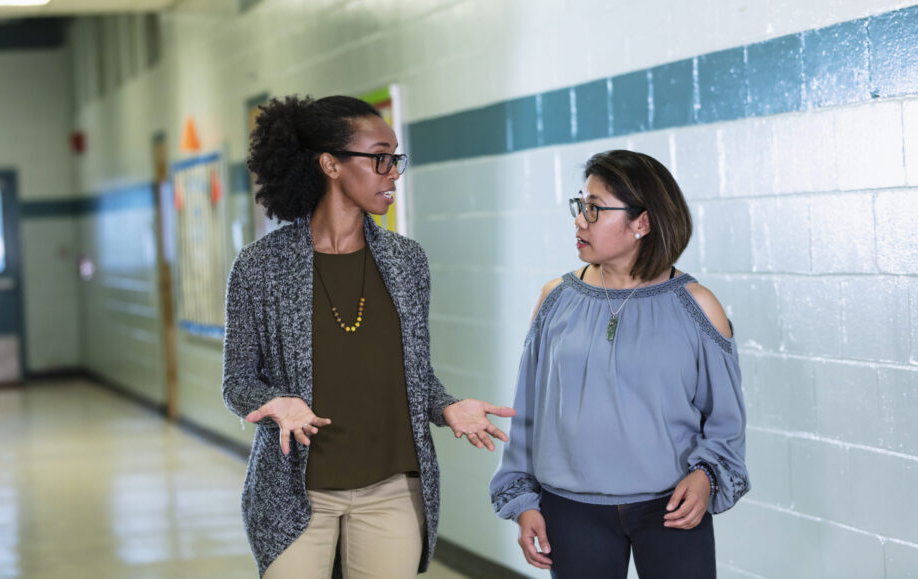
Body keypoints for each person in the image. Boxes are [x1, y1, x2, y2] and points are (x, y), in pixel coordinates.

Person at [222, 94, 515, 579]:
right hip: (297, 493)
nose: (393, 173)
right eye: (380, 158)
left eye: (395, 159)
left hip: (392, 491)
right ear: (330, 164)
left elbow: (414, 375)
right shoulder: (260, 267)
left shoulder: (407, 261)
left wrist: (445, 406)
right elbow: (237, 383)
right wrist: (277, 401)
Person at [489, 150, 749, 578]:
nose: (579, 220)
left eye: (594, 209)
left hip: (671, 509)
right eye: (580, 206)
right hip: (570, 511)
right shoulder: (555, 298)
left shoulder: (698, 306)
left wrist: (705, 477)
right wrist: (522, 501)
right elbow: (527, 414)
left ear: (642, 223)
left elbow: (726, 420)